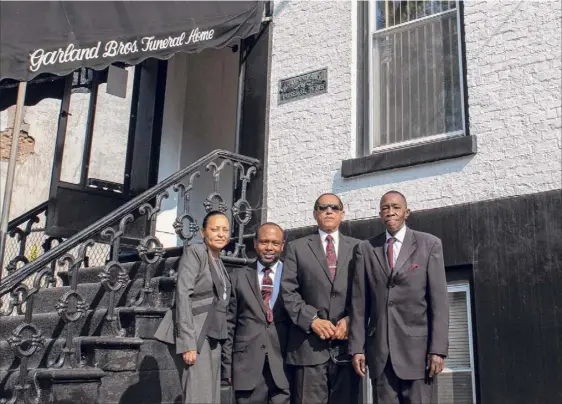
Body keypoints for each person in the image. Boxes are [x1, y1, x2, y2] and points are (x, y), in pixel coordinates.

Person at [349, 191, 449, 404]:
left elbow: (439, 302)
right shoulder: (366, 250)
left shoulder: (429, 245)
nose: (390, 212)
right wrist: (357, 348)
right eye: (385, 208)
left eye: (395, 207)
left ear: (407, 212)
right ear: (379, 214)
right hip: (381, 355)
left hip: (419, 355)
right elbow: (359, 305)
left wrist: (438, 350)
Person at [281, 193, 361, 404]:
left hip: (347, 349)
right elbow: (288, 291)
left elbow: (366, 293)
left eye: (334, 207)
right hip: (308, 350)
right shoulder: (296, 248)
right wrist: (312, 320)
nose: (328, 211)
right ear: (315, 213)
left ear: (342, 214)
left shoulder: (359, 248)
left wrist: (351, 319)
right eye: (323, 207)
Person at [155, 210, 232, 404]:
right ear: (202, 232)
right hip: (196, 334)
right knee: (198, 395)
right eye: (215, 229)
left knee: (212, 396)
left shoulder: (219, 260)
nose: (221, 234)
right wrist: (187, 343)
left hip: (213, 333)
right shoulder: (196, 252)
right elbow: (183, 294)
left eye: (225, 230)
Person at [222, 222, 291, 404]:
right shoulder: (238, 277)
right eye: (264, 242)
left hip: (283, 366)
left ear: (282, 246)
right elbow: (229, 325)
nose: (269, 248)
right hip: (246, 368)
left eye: (275, 243)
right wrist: (227, 366)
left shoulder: (293, 277)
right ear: (255, 243)